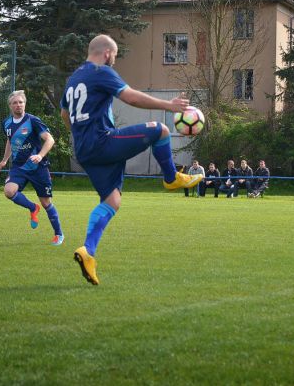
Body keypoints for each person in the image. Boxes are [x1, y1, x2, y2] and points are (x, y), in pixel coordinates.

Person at [60, 34, 202, 285]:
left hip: (84, 150)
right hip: (102, 142)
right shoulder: (100, 71)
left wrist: (80, 134)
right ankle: (171, 178)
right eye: (114, 55)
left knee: (112, 201)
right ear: (106, 53)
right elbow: (131, 97)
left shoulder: (73, 79)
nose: (114, 60)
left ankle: (87, 251)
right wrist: (169, 106)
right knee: (161, 130)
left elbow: (64, 113)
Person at [0, 90, 63, 245]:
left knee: (46, 203)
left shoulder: (33, 121)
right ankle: (32, 208)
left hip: (38, 167)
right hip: (19, 167)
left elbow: (50, 140)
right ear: (10, 106)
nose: (18, 105)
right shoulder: (6, 123)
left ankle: (58, 234)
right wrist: (4, 160)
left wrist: (40, 155)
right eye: (15, 103)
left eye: (21, 102)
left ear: (24, 104)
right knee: (9, 191)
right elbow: (10, 141)